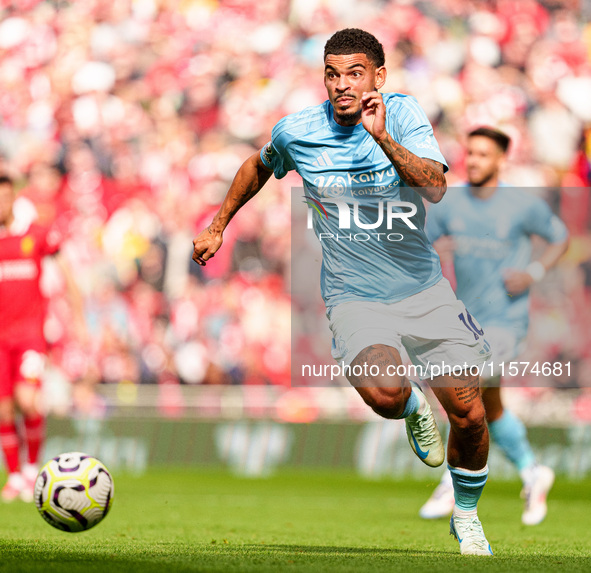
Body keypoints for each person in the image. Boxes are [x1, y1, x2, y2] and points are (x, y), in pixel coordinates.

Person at [193, 29, 494, 556]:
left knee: (469, 412)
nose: (341, 84)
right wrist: (218, 225)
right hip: (354, 295)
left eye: (355, 73)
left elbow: (436, 188)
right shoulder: (298, 131)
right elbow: (258, 166)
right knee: (387, 394)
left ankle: (465, 515)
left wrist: (381, 138)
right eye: (332, 73)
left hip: (423, 290)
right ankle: (412, 409)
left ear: (379, 76)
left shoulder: (402, 114)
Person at [422, 127, 569, 525]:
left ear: (500, 159)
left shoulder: (522, 205)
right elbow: (423, 245)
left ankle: (452, 484)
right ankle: (532, 471)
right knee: (491, 408)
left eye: (483, 155)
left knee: (464, 387)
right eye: (469, 153)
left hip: (506, 322)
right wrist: (437, 252)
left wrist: (533, 271)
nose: (473, 161)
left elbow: (560, 237)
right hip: (465, 322)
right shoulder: (450, 206)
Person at [0, 174, 86, 502]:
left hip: (30, 336)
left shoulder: (35, 235)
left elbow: (66, 271)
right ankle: (15, 478)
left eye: (5, 197)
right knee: (4, 411)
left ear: (14, 199)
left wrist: (78, 316)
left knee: (28, 400)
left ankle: (32, 469)